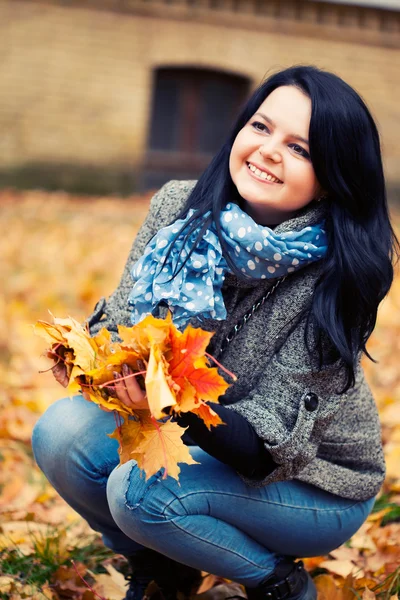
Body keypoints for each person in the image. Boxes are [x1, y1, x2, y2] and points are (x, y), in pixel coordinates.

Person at [32, 65, 398, 600]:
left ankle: (277, 582)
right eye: (261, 127)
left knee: (138, 494)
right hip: (201, 444)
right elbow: (124, 325)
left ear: (334, 175)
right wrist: (94, 359)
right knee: (61, 434)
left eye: (301, 149)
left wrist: (171, 397)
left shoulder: (341, 272)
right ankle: (162, 568)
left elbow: (267, 451)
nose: (269, 150)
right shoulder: (179, 208)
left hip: (312, 485)